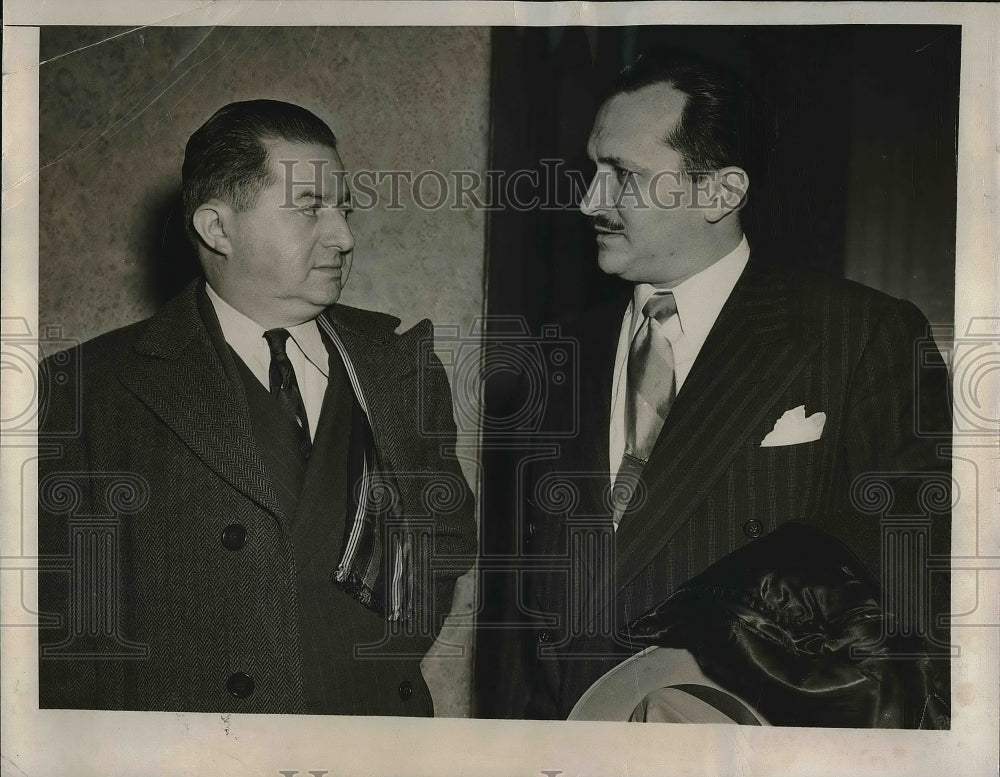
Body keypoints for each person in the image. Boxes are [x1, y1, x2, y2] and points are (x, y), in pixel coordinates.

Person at [500, 49, 951, 723]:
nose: (590, 199)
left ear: (721, 192)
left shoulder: (860, 335)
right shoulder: (557, 352)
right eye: (592, 169)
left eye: (623, 175)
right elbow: (520, 621)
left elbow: (912, 597)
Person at [37, 99, 476, 716]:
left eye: (343, 209)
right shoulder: (87, 388)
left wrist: (366, 655)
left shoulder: (397, 364)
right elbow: (63, 634)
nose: (344, 237)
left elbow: (446, 540)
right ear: (218, 229)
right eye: (309, 210)